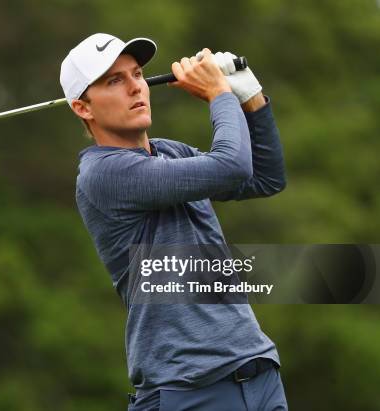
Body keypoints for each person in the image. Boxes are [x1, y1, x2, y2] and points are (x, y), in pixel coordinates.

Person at [60, 33, 288, 410]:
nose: (136, 88)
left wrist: (250, 96)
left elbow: (265, 178)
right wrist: (220, 95)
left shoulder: (169, 152)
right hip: (190, 390)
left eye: (137, 74)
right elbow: (231, 165)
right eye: (114, 81)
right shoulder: (102, 175)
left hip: (257, 371)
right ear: (83, 107)